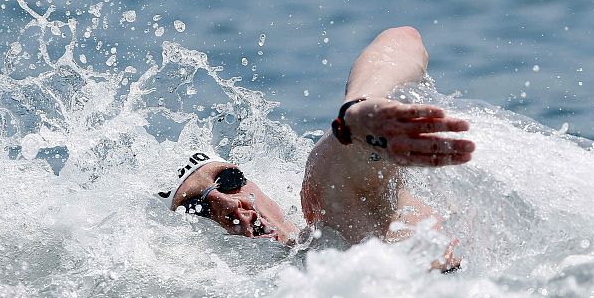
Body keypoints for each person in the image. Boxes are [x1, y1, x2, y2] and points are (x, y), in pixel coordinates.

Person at [157, 27, 475, 269]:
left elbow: (403, 38)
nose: (229, 205)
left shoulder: (331, 210)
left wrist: (358, 114)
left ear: (252, 182)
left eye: (229, 181)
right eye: (196, 207)